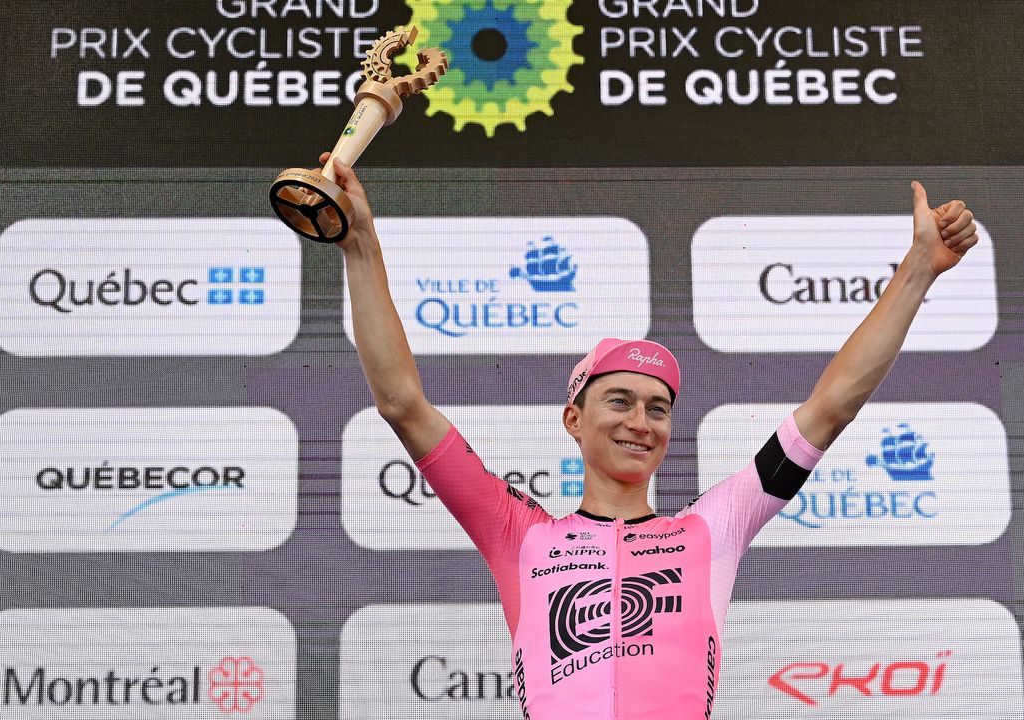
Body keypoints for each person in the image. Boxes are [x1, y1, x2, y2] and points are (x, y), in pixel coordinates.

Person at [328, 152, 980, 718]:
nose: (640, 421)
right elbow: (401, 401)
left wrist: (918, 269)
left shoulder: (713, 527)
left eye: (658, 408)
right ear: (573, 420)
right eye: (619, 401)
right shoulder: (519, 534)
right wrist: (361, 242)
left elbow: (832, 405)